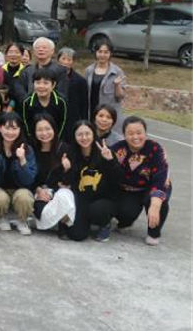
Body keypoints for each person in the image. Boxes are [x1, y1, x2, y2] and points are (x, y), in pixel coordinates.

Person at [110, 116, 171, 245]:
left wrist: (155, 204)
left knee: (157, 202)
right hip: (131, 189)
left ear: (145, 133)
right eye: (130, 133)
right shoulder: (117, 149)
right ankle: (126, 221)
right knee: (126, 212)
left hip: (154, 186)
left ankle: (154, 232)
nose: (135, 137)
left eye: (139, 132)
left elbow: (160, 177)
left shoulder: (155, 149)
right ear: (124, 135)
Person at [64, 120, 119, 242]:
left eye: (87, 133)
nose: (84, 138)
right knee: (77, 235)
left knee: (98, 209)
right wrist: (66, 169)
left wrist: (110, 161)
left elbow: (117, 180)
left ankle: (104, 223)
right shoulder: (71, 153)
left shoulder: (105, 152)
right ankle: (85, 221)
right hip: (82, 198)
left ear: (93, 134)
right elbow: (70, 183)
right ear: (74, 136)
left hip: (103, 199)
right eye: (80, 134)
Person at [0, 111, 37, 235]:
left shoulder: (27, 149)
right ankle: (1, 217)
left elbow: (28, 180)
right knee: (0, 198)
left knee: (24, 197)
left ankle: (22, 220)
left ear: (20, 130)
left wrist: (22, 160)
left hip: (19, 189)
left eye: (14, 128)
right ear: (0, 128)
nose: (10, 132)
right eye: (7, 128)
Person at [30, 113, 74, 234]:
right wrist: (38, 190)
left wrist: (67, 169)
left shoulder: (65, 149)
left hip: (59, 192)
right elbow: (28, 177)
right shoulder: (31, 149)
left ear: (54, 129)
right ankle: (60, 221)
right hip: (39, 194)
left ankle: (62, 223)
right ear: (34, 132)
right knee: (42, 212)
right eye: (39, 130)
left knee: (64, 196)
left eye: (47, 129)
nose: (44, 133)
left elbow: (70, 180)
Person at [84, 37, 126, 125]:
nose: (102, 55)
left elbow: (120, 97)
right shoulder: (89, 70)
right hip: (92, 113)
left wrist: (117, 85)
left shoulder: (117, 72)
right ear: (95, 52)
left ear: (110, 54)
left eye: (106, 52)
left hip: (108, 116)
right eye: (100, 52)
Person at [15, 37, 68, 105]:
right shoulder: (27, 71)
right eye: (37, 48)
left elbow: (62, 93)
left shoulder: (60, 71)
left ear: (52, 51)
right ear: (34, 51)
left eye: (44, 48)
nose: (41, 49)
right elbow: (21, 92)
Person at [19, 68, 67, 139]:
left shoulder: (61, 101)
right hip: (33, 140)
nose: (41, 86)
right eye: (38, 83)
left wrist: (56, 140)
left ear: (53, 85)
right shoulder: (26, 102)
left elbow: (64, 124)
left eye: (45, 83)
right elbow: (25, 125)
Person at [57, 47, 89, 134]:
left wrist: (84, 121)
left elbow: (84, 104)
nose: (65, 62)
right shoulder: (51, 77)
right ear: (58, 60)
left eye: (69, 60)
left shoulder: (80, 81)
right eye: (63, 59)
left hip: (72, 117)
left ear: (73, 62)